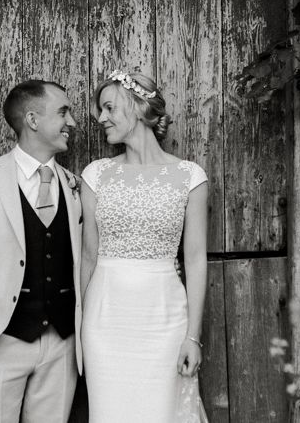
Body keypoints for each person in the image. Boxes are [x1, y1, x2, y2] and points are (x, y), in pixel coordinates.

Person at [0, 80, 83, 423]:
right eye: (63, 112)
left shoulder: (76, 185)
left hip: (62, 344)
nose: (72, 122)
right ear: (33, 120)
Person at [80, 70, 209, 423]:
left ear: (136, 106)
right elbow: (88, 257)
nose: (101, 118)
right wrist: (80, 330)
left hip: (164, 320)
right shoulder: (96, 174)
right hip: (104, 322)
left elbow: (195, 261)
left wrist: (192, 338)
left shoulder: (189, 176)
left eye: (108, 108)